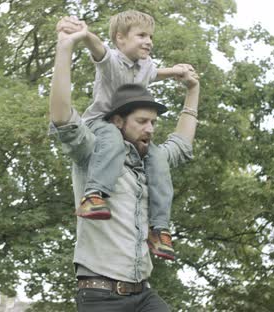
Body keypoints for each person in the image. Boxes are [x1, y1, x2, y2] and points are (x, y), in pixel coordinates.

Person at [49, 15, 200, 312]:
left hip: (143, 294)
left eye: (153, 123)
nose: (150, 129)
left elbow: (181, 146)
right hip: (101, 295)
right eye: (142, 122)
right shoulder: (93, 151)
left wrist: (193, 90)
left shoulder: (150, 162)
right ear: (119, 121)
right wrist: (65, 49)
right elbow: (62, 117)